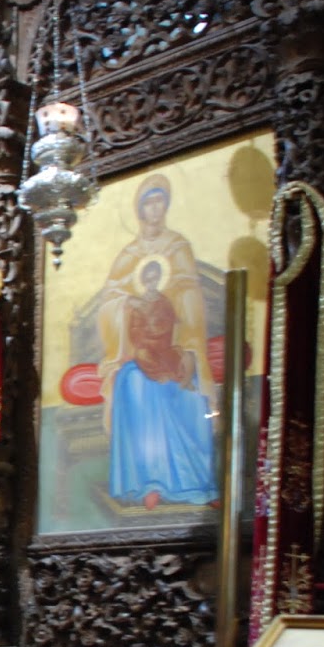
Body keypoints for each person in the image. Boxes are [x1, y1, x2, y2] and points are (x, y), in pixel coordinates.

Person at [93, 174, 218, 509]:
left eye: (160, 200)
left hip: (175, 349)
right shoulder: (128, 254)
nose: (155, 208)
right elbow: (110, 302)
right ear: (139, 209)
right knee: (132, 384)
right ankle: (148, 482)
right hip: (140, 354)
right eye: (148, 202)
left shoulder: (178, 247)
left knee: (189, 391)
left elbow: (190, 295)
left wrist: (186, 343)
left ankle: (198, 482)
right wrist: (128, 305)